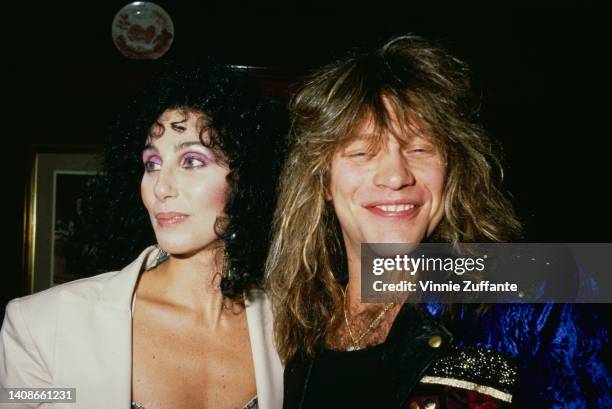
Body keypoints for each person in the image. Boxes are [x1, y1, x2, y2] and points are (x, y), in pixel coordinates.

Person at [265, 35, 610, 408]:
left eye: (419, 148)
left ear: (452, 169)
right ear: (324, 181)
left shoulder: (532, 296)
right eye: (363, 152)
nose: (396, 176)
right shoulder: (300, 320)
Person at [0, 64, 286, 409]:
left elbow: (373, 307)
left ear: (249, 177)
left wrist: (374, 233)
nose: (160, 187)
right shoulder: (40, 326)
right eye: (152, 163)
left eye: (192, 161)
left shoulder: (296, 324)